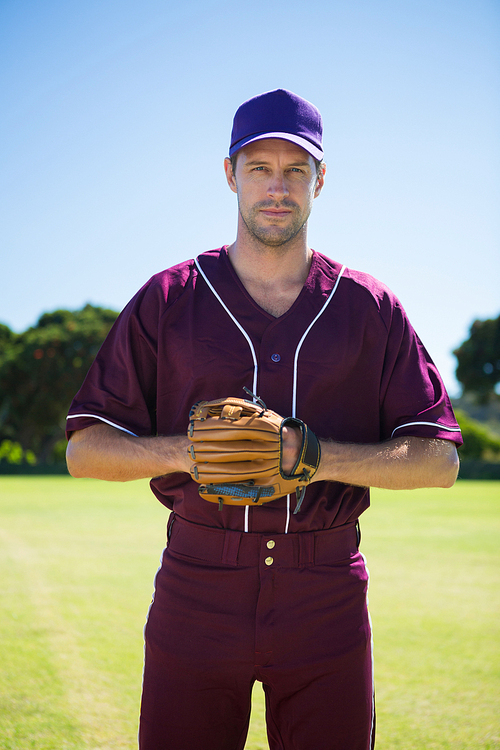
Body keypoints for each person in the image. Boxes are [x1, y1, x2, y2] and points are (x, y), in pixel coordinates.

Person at [66, 88, 463, 750]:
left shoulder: (369, 306)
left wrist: (313, 457)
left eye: (295, 170)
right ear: (230, 174)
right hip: (197, 583)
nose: (276, 188)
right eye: (259, 169)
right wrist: (189, 453)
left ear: (320, 180)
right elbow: (85, 449)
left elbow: (440, 460)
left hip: (325, 590)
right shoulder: (170, 297)